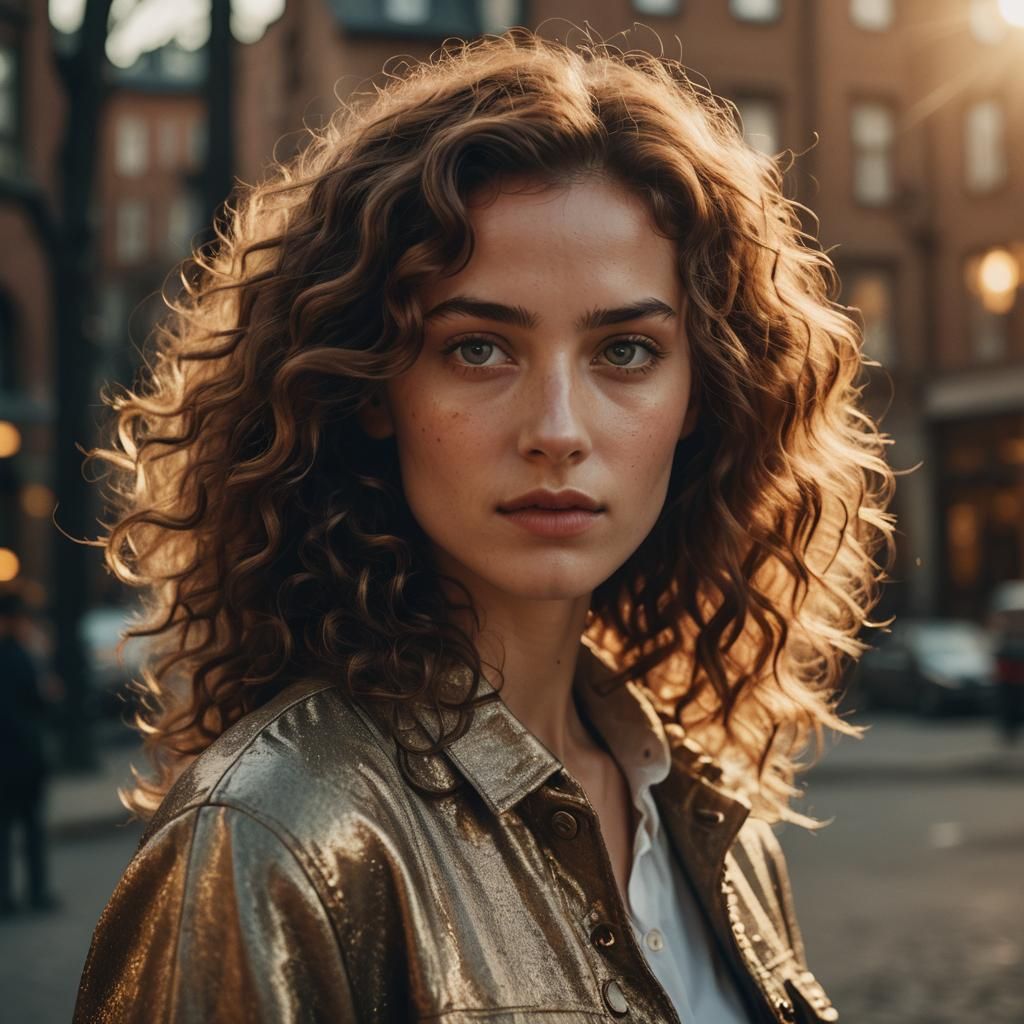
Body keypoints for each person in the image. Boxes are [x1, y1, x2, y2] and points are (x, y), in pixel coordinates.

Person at [72, 30, 895, 1023]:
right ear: (374, 387)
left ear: (701, 397)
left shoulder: (715, 826)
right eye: (476, 349)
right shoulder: (273, 837)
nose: (557, 430)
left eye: (625, 349)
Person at [0, 587, 58, 914]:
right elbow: (38, 702)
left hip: (6, 759)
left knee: (4, 832)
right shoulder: (21, 656)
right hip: (24, 756)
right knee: (31, 829)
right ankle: (36, 892)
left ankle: (5, 896)